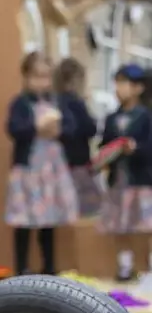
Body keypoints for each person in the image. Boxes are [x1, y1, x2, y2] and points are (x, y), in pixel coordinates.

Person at [5, 51, 78, 276]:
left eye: (46, 77)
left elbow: (72, 128)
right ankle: (22, 267)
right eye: (36, 76)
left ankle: (49, 266)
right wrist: (36, 128)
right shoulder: (20, 103)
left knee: (48, 220)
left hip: (51, 170)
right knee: (24, 221)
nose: (41, 82)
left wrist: (58, 130)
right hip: (28, 170)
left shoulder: (57, 102)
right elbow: (13, 129)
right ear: (26, 77)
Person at [98, 64, 152, 281]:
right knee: (121, 226)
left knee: (147, 224)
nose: (119, 88)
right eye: (117, 83)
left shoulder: (146, 117)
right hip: (118, 181)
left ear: (138, 88)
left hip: (142, 179)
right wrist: (106, 154)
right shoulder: (111, 119)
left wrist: (135, 148)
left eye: (124, 83)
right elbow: (104, 144)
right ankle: (124, 266)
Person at [54, 57, 101, 217]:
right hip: (79, 164)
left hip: (58, 165)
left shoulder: (53, 102)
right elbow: (91, 129)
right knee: (89, 210)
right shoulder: (76, 102)